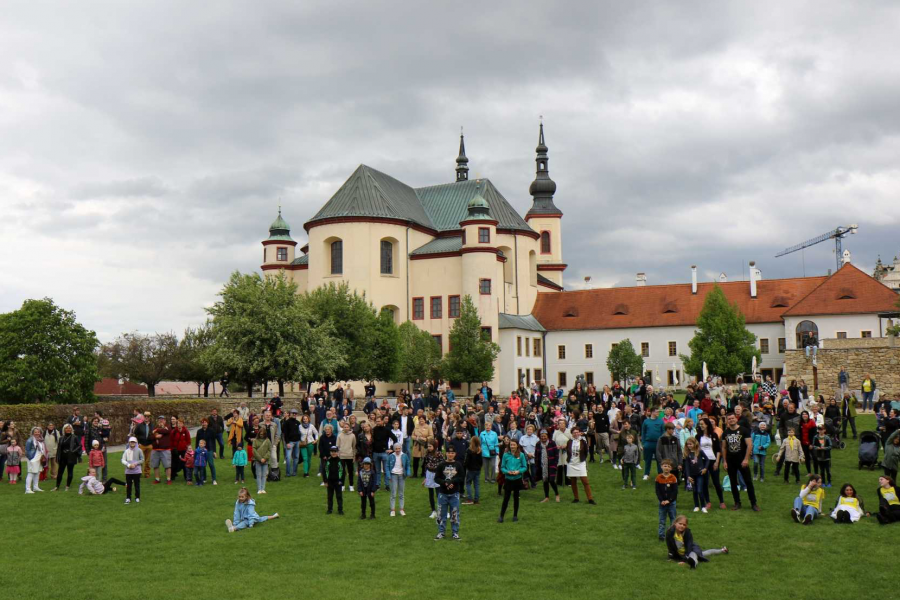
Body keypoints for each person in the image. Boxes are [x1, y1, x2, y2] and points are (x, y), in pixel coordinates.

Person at [721, 414, 759, 511]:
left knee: (748, 482)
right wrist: (724, 461)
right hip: (730, 461)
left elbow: (750, 445)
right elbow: (724, 447)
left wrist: (746, 459)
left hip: (742, 460)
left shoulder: (744, 430)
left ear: (736, 419)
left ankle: (753, 503)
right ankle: (737, 502)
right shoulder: (725, 433)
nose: (731, 420)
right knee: (733, 483)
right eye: (729, 419)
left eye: (732, 418)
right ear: (727, 421)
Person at [434, 446, 463, 540]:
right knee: (441, 513)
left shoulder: (458, 465)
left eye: (452, 453)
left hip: (454, 494)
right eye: (449, 453)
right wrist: (445, 483)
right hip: (443, 494)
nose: (450, 455)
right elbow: (436, 478)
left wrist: (452, 482)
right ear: (446, 453)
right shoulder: (441, 465)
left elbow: (462, 477)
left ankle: (455, 533)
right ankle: (441, 532)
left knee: (454, 514)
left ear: (455, 454)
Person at [498, 439, 528, 523]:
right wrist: (507, 472)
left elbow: (524, 467)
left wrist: (518, 471)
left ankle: (515, 516)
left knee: (516, 498)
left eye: (514, 445)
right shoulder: (505, 455)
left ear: (517, 445)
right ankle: (501, 516)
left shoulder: (521, 455)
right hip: (508, 479)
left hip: (517, 479)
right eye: (511, 445)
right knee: (506, 498)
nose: (512, 446)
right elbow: (502, 467)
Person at [566, 428, 595, 504]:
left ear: (579, 433)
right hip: (571, 463)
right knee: (573, 482)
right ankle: (576, 498)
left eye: (577, 432)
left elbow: (586, 451)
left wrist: (582, 459)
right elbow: (568, 451)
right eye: (574, 433)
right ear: (572, 433)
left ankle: (590, 499)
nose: (576, 434)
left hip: (580, 463)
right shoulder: (569, 441)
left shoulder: (583, 441)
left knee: (585, 481)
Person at [683, 438, 709, 513]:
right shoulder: (687, 454)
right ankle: (696, 506)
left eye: (690, 444)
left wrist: (705, 468)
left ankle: (703, 506)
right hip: (692, 475)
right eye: (688, 444)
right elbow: (687, 466)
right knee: (694, 491)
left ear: (695, 444)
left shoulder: (700, 452)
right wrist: (688, 476)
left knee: (700, 490)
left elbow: (707, 460)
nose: (689, 446)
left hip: (700, 474)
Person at [53, 424, 81, 491]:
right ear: (64, 429)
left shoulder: (75, 437)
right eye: (66, 428)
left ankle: (67, 486)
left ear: (71, 429)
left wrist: (73, 451)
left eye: (69, 428)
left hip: (71, 457)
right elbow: (59, 448)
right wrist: (57, 457)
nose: (68, 429)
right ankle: (57, 486)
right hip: (63, 457)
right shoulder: (61, 438)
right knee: (60, 472)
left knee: (70, 472)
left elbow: (79, 446)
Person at [656, 460, 679, 540]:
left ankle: (672, 535)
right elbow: (657, 491)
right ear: (661, 466)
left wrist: (669, 500)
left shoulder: (673, 478)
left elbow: (675, 491)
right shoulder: (658, 478)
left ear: (671, 468)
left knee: (673, 519)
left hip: (671, 503)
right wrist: (661, 500)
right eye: (665, 466)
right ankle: (661, 535)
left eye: (669, 466)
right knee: (662, 519)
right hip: (662, 503)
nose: (666, 468)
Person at [387, 442, 411, 516]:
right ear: (394, 449)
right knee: (393, 493)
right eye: (396, 448)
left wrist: (408, 472)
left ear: (401, 448)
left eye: (399, 448)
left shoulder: (404, 456)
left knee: (401, 493)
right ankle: (392, 510)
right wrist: (388, 476)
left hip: (401, 476)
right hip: (393, 475)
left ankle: (401, 509)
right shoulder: (391, 456)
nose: (397, 450)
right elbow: (387, 466)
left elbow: (408, 465)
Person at [422, 440, 443, 518]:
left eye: (430, 446)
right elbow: (425, 465)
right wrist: (425, 477)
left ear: (435, 446)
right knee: (431, 493)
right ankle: (433, 511)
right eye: (428, 446)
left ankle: (441, 510)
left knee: (439, 493)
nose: (429, 448)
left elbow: (442, 465)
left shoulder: (439, 454)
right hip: (429, 474)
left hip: (437, 475)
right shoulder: (427, 454)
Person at [641, 408, 664, 478]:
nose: (658, 413)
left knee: (659, 460)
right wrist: (644, 443)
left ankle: (660, 474)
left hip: (658, 443)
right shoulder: (646, 421)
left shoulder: (661, 421)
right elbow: (643, 432)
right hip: (648, 443)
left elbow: (663, 432)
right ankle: (646, 474)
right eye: (657, 412)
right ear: (652, 412)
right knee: (647, 460)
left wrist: (662, 443)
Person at [121, 436, 144, 504]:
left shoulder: (139, 450)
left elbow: (142, 459)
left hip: (137, 471)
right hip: (128, 471)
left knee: (137, 484)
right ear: (129, 443)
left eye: (134, 442)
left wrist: (135, 464)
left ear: (136, 442)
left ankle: (137, 497)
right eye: (131, 442)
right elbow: (123, 460)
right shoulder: (126, 451)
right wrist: (128, 465)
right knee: (129, 485)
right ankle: (128, 498)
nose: (132, 443)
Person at [24, 427, 46, 494]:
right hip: (33, 458)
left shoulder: (41, 440)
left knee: (37, 473)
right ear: (33, 433)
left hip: (39, 458)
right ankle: (28, 489)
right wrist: (31, 459)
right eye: (35, 432)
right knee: (31, 473)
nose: (37, 433)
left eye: (38, 432)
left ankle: (35, 487)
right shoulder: (30, 440)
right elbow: (27, 451)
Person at [323, 445, 344, 515]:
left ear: (337, 452)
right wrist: (325, 481)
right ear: (330, 452)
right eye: (332, 452)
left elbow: (343, 472)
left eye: (335, 451)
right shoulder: (328, 461)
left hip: (338, 482)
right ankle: (329, 509)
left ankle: (340, 510)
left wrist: (341, 481)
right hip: (330, 482)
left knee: (339, 496)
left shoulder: (340, 461)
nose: (333, 453)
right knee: (329, 496)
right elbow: (325, 471)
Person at [151, 416, 172, 485]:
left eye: (162, 419)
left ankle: (168, 479)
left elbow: (166, 431)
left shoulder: (168, 427)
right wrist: (155, 436)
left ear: (165, 421)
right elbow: (150, 436)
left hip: (165, 449)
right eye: (159, 419)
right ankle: (157, 479)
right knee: (155, 465)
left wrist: (157, 431)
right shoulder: (154, 427)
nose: (161, 421)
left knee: (167, 465)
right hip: (155, 449)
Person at [337, 421, 357, 492]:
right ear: (343, 427)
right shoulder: (340, 435)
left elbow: (354, 446)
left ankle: (351, 485)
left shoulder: (353, 435)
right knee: (341, 472)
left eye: (347, 427)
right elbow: (337, 446)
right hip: (341, 456)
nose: (346, 428)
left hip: (350, 456)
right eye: (345, 427)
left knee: (350, 471)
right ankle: (342, 485)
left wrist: (354, 456)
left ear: (349, 428)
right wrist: (338, 455)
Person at [463, 435, 482, 505]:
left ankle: (470, 499)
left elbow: (466, 461)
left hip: (470, 469)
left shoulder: (469, 450)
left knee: (468, 483)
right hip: (477, 470)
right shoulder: (479, 450)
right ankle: (476, 500)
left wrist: (465, 465)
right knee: (476, 484)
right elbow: (481, 461)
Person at [252, 430, 272, 494]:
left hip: (265, 461)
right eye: (260, 434)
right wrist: (260, 459)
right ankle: (259, 489)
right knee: (258, 475)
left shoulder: (268, 441)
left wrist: (265, 458)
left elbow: (270, 450)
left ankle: (263, 489)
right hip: (258, 461)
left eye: (263, 434)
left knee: (264, 475)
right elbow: (254, 450)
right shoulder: (255, 440)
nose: (262, 435)